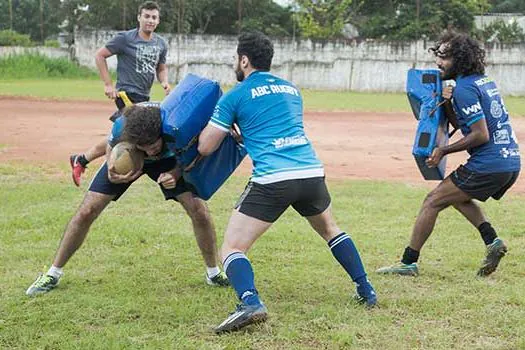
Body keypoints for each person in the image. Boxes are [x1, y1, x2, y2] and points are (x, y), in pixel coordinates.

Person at [195, 32, 377, 334]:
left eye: (236, 59)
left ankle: (250, 302)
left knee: (231, 248)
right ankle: (366, 289)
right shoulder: (291, 89)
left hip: (274, 179)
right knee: (331, 230)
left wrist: (223, 129)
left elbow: (205, 147)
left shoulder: (236, 95)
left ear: (244, 60)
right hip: (310, 172)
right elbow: (273, 124)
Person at [26, 103, 229, 297]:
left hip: (170, 160)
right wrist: (111, 167)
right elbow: (111, 144)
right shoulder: (122, 127)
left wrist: (175, 174)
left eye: (153, 145)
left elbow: (196, 153)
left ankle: (213, 273)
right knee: (87, 210)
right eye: (144, 147)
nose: (150, 151)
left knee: (199, 210)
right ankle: (53, 273)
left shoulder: (178, 124)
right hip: (131, 156)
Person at [377, 32, 521, 277]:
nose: (438, 62)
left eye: (444, 57)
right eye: (438, 55)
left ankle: (408, 262)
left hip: (489, 163)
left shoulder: (464, 88)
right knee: (456, 196)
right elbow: (466, 124)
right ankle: (492, 242)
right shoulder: (482, 81)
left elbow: (480, 135)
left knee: (432, 201)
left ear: (460, 59)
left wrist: (443, 149)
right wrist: (448, 104)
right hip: (509, 161)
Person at [70, 0, 171, 187]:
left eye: (154, 17)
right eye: (147, 16)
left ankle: (81, 159)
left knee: (121, 134)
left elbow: (161, 67)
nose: (150, 20)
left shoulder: (161, 44)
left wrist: (164, 81)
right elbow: (100, 55)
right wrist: (108, 84)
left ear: (158, 21)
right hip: (126, 94)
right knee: (130, 134)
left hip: (144, 97)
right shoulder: (125, 39)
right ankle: (106, 170)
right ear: (139, 17)